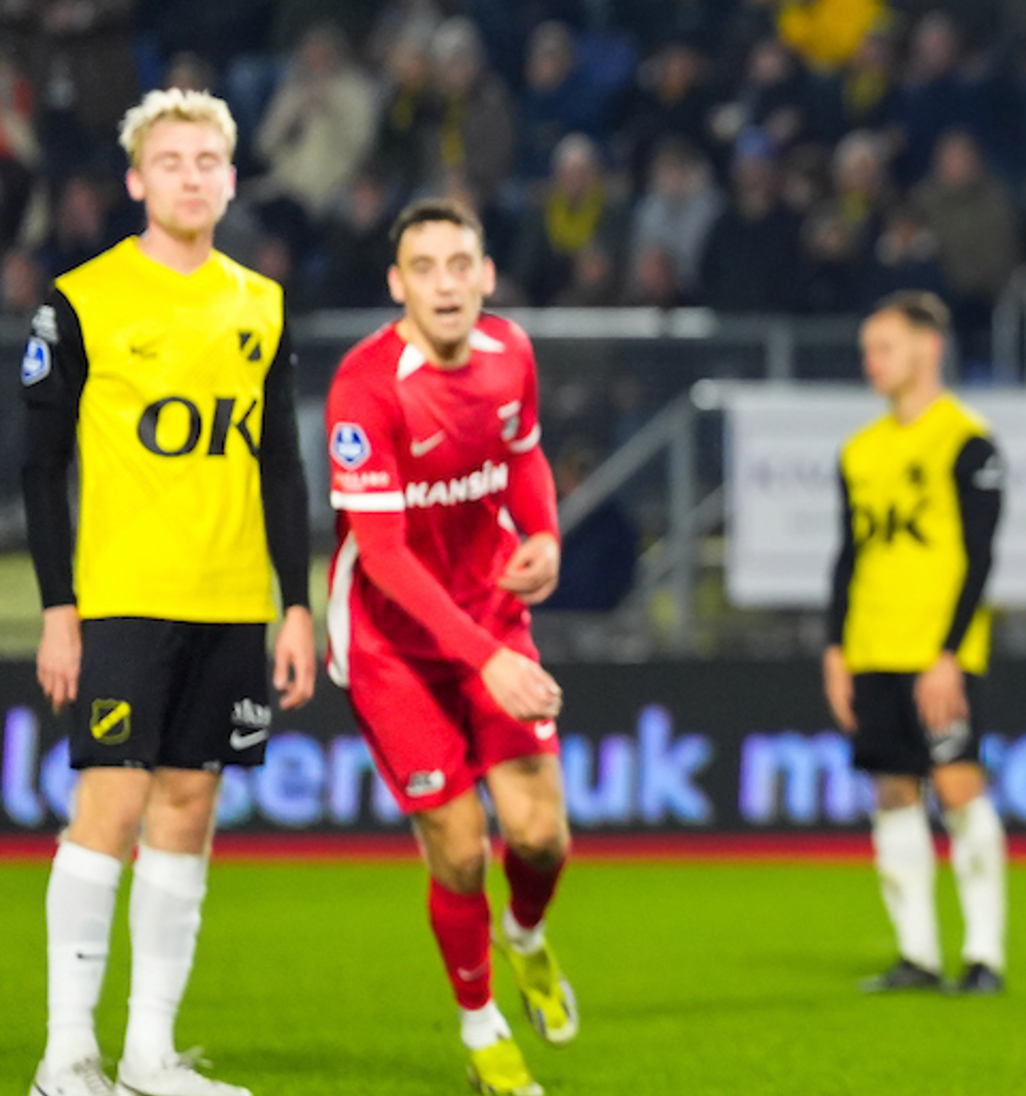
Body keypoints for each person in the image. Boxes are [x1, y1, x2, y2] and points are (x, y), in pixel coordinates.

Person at [22, 89, 315, 1096]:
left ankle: (150, 1053)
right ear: (137, 181)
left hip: (231, 601)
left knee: (189, 808)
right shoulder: (82, 299)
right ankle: (67, 1053)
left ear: (230, 181)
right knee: (109, 803)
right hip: (123, 598)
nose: (191, 177)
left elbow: (281, 467)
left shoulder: (261, 302)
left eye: (207, 162)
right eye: (171, 162)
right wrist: (59, 607)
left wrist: (296, 603)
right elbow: (38, 467)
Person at [323, 198, 573, 1096]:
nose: (445, 284)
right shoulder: (365, 387)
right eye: (424, 268)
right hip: (392, 644)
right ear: (398, 284)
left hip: (490, 614)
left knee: (540, 838)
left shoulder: (512, 353)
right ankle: (481, 1027)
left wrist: (544, 535)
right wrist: (486, 660)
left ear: (486, 275)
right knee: (462, 851)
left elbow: (524, 455)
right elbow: (385, 557)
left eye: (460, 265)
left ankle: (526, 937)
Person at [823, 290, 1011, 996]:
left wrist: (949, 654)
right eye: (868, 350)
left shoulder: (967, 442)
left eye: (885, 347)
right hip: (872, 650)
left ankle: (984, 956)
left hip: (936, 654)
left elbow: (980, 559)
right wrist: (835, 649)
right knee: (893, 792)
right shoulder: (860, 450)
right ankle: (918, 956)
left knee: (958, 786)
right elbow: (848, 559)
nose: (871, 361)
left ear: (928, 349)